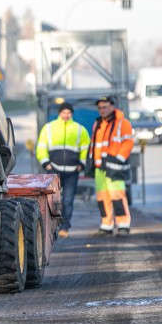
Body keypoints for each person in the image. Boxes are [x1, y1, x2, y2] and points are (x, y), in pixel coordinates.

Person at [35, 102, 89, 238]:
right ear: (59, 113)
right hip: (54, 171)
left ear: (72, 114)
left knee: (68, 201)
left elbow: (85, 148)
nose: (66, 115)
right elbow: (41, 147)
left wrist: (82, 164)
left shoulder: (79, 129)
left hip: (72, 172)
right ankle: (52, 226)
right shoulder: (49, 128)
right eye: (64, 112)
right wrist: (45, 163)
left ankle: (65, 227)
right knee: (52, 200)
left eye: (69, 113)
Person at [88, 96, 134, 236]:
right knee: (102, 197)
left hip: (114, 167)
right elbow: (94, 144)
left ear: (112, 107)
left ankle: (123, 225)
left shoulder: (123, 123)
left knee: (117, 196)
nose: (102, 110)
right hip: (99, 168)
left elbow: (128, 143)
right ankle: (106, 225)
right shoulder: (98, 123)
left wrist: (118, 159)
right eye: (100, 107)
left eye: (105, 107)